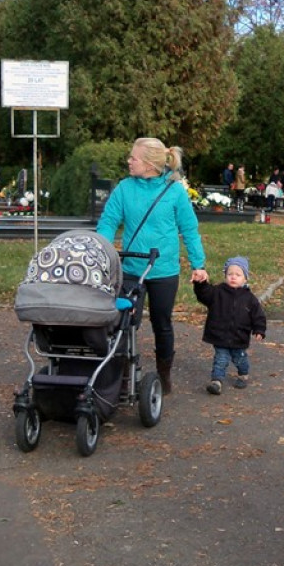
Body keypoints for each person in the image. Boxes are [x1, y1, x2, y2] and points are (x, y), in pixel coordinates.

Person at [97, 136, 208, 395]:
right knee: (123, 322)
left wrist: (198, 264)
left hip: (163, 270)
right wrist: (100, 251)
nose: (128, 161)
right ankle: (123, 375)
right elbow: (108, 221)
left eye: (133, 158)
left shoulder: (174, 191)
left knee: (162, 322)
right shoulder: (125, 188)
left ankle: (164, 375)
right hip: (131, 269)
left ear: (148, 164)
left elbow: (189, 229)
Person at [193, 256, 267, 395]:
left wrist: (259, 329)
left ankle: (243, 374)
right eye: (230, 274)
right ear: (225, 275)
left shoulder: (250, 299)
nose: (233, 277)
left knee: (240, 358)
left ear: (245, 278)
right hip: (220, 335)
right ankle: (216, 381)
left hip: (239, 336)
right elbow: (204, 295)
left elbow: (258, 316)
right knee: (220, 359)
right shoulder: (217, 292)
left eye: (238, 275)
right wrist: (200, 284)